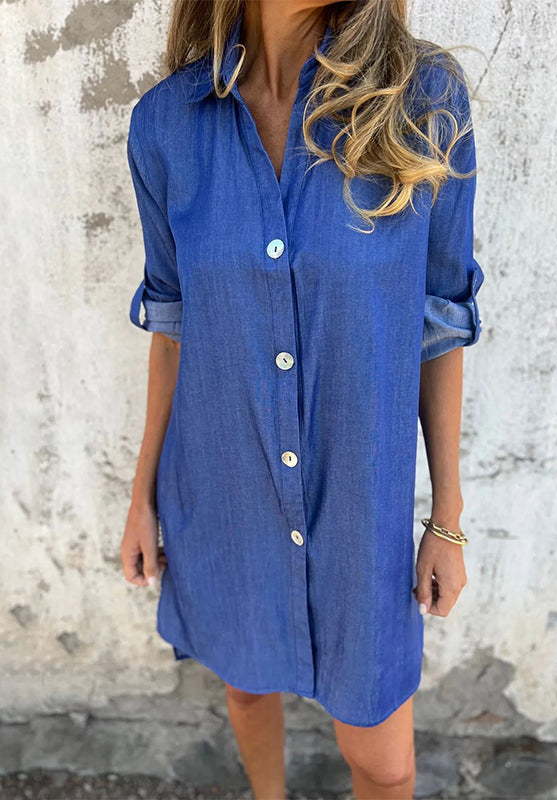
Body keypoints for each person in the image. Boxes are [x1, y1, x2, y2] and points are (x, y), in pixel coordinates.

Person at [120, 1, 485, 798]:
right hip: (222, 487)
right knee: (247, 690)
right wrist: (141, 497)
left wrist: (446, 519)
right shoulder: (167, 125)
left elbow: (440, 325)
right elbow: (173, 327)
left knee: (384, 766)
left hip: (361, 518)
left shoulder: (422, 100)